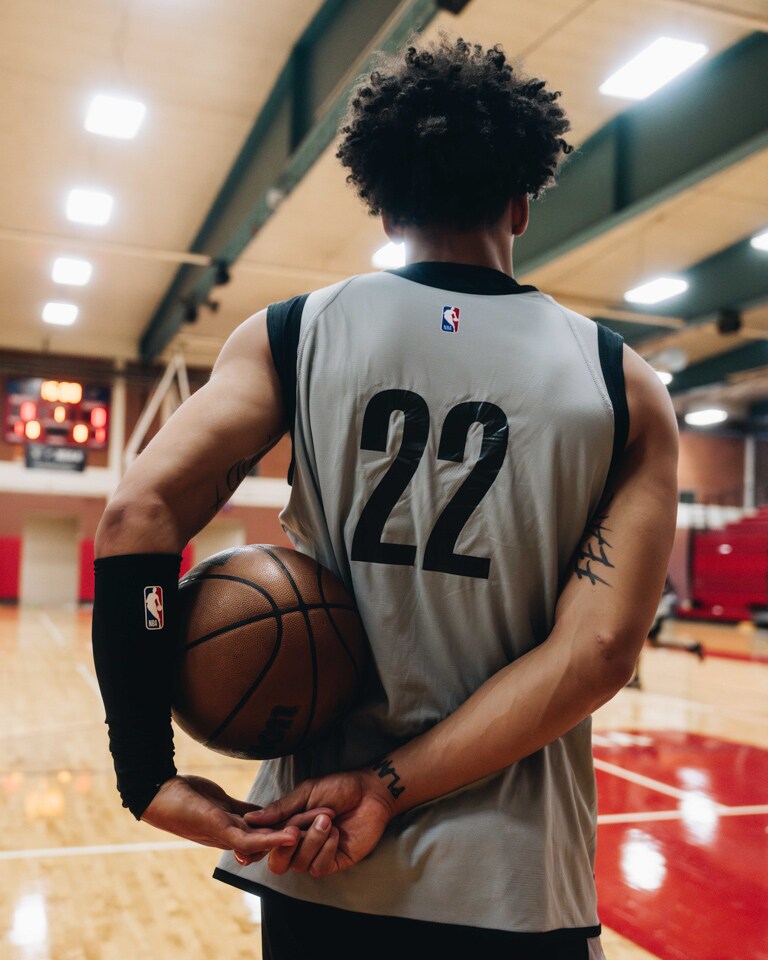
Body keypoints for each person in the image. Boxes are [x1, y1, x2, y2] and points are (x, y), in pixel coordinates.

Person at [92, 35, 678, 960]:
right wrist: (391, 785)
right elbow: (601, 649)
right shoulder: (623, 383)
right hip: (517, 880)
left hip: (318, 859)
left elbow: (137, 516)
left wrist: (145, 770)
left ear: (384, 198)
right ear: (522, 204)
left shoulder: (295, 335)